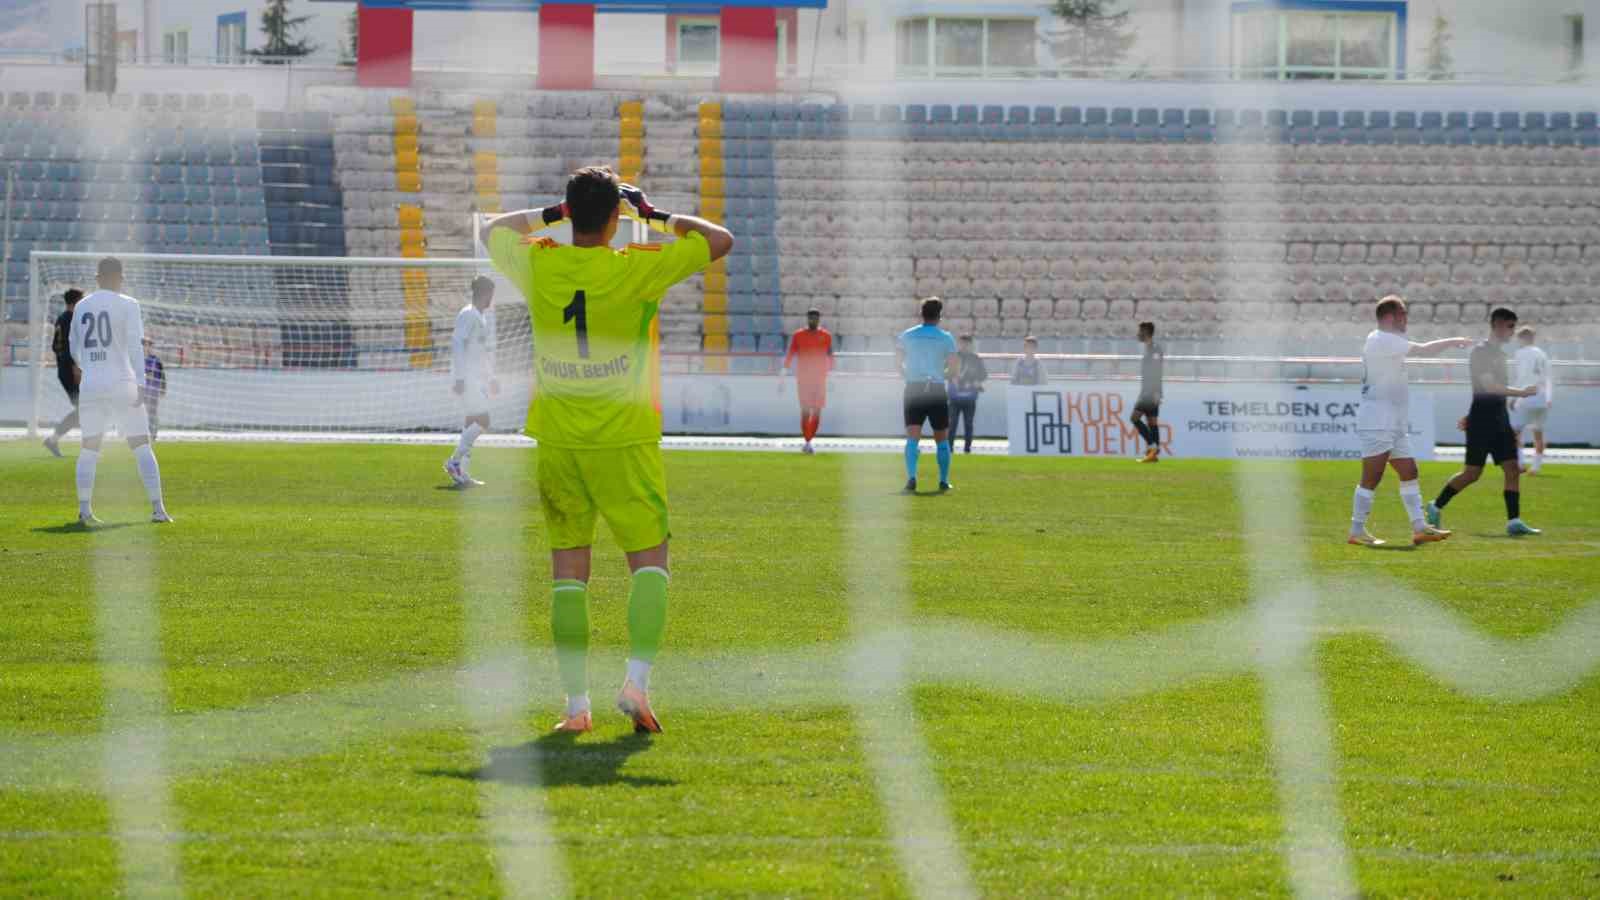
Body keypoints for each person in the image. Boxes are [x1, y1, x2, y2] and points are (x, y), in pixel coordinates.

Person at [486, 167, 733, 735]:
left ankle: (576, 708)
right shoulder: (636, 269)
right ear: (619, 218)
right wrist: (656, 215)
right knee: (650, 562)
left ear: (570, 214)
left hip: (558, 437)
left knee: (568, 572)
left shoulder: (539, 261)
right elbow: (719, 240)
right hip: (624, 437)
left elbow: (493, 231)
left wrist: (553, 213)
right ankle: (636, 684)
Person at [1346, 296, 1467, 547]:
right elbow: (1424, 350)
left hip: (1393, 422)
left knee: (1409, 471)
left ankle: (1420, 527)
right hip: (1378, 420)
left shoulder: (1387, 340)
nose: (1406, 319)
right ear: (1389, 317)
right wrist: (1454, 341)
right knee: (1372, 476)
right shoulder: (1382, 338)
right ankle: (1356, 531)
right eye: (1403, 314)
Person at [69, 258, 172, 526]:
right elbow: (136, 347)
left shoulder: (81, 306)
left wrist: (89, 366)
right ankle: (158, 510)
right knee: (140, 445)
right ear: (119, 277)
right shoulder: (128, 304)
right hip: (122, 382)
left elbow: (73, 348)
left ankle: (84, 511)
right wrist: (141, 381)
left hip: (91, 383)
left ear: (98, 276)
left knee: (89, 448)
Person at [1427, 308, 1542, 537]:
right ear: (1498, 325)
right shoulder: (1480, 352)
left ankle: (1514, 521)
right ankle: (1435, 506)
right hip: (1483, 422)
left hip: (1499, 419)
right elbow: (1488, 387)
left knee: (1512, 468)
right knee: (1472, 473)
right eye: (1510, 326)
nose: (1512, 331)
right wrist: (1522, 393)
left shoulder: (1500, 354)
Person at [895, 297, 959, 493]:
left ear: (921, 314)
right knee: (941, 439)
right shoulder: (946, 337)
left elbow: (897, 363)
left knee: (913, 437)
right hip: (935, 388)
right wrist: (942, 375)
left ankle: (912, 477)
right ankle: (943, 480)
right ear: (940, 316)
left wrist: (908, 375)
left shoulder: (907, 335)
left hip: (914, 388)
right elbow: (954, 368)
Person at [445, 276, 500, 487]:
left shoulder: (479, 316)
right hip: (466, 377)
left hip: (474, 377)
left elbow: (481, 352)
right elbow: (458, 344)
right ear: (484, 293)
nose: (491, 299)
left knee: (470, 422)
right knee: (484, 421)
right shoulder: (468, 314)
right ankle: (454, 461)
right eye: (490, 295)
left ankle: (462, 474)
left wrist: (491, 376)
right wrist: (459, 378)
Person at [781, 307, 833, 455]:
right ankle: (807, 441)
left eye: (815, 318)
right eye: (811, 318)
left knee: (817, 411)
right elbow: (791, 352)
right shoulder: (798, 335)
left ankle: (809, 441)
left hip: (820, 379)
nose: (813, 320)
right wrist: (784, 370)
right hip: (803, 379)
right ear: (807, 319)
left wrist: (832, 375)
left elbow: (830, 356)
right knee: (805, 411)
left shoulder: (826, 336)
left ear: (819, 319)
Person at [43, 289, 84, 457]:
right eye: (82, 300)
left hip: (64, 369)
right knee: (86, 409)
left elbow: (55, 346)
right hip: (71, 371)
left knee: (86, 410)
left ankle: (55, 440)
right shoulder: (72, 319)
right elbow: (69, 347)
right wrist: (75, 368)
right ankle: (53, 440)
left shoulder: (61, 319)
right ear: (75, 302)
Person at [1508, 326, 1552, 475]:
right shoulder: (1542, 353)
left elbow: (1521, 378)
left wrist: (1513, 397)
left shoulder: (1520, 353)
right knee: (1538, 433)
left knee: (1515, 432)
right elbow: (1548, 377)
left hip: (1527, 397)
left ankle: (1520, 464)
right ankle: (1536, 468)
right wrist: (1549, 398)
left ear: (1522, 338)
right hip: (1542, 398)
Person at [946, 334, 988, 454]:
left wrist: (976, 381)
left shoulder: (976, 359)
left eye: (967, 343)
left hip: (970, 397)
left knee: (968, 423)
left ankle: (967, 448)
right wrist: (952, 377)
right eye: (962, 343)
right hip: (954, 397)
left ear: (971, 344)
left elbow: (984, 375)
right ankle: (950, 447)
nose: (964, 346)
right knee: (952, 423)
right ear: (958, 344)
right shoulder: (953, 357)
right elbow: (944, 372)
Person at [1130, 322, 1164, 462]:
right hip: (1150, 391)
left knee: (1134, 418)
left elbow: (1157, 371)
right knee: (1152, 422)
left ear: (1146, 332)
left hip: (1149, 392)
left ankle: (1152, 446)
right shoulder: (1149, 348)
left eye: (1140, 331)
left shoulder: (1155, 350)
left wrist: (1157, 392)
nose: (1138, 334)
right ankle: (1153, 455)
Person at [141, 337, 167, 440]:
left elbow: (162, 375)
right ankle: (142, 434)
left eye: (149, 344)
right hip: (140, 391)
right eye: (144, 344)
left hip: (153, 391)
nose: (146, 347)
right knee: (140, 413)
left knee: (152, 412)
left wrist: (163, 388)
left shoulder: (156, 360)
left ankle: (153, 434)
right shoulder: (137, 359)